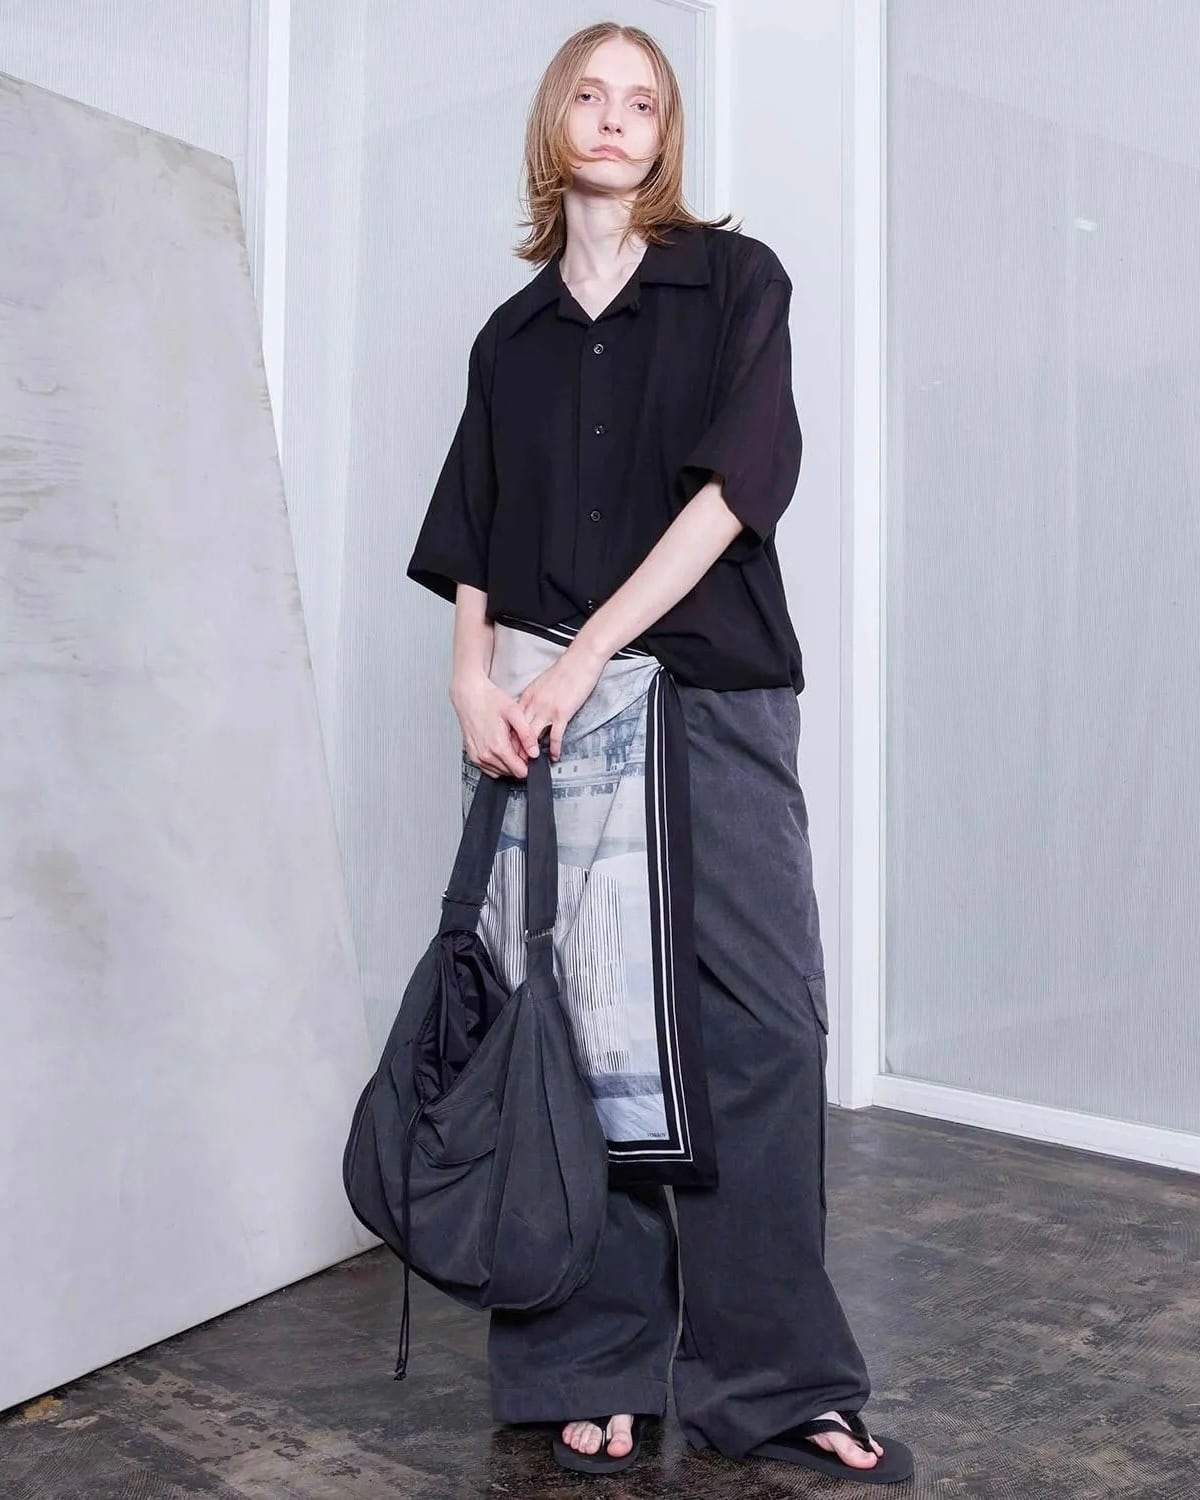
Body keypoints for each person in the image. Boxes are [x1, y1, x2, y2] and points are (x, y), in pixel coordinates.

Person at [406, 19, 913, 1488]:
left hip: (705, 693)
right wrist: (469, 677)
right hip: (542, 713)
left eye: (643, 99)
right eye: (591, 93)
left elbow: (735, 493)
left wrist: (583, 657)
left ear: (666, 131)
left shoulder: (737, 283)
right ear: (554, 121)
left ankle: (775, 1383)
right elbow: (474, 530)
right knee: (572, 1033)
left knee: (764, 1025)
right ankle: (591, 1361)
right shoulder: (508, 338)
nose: (616, 117)